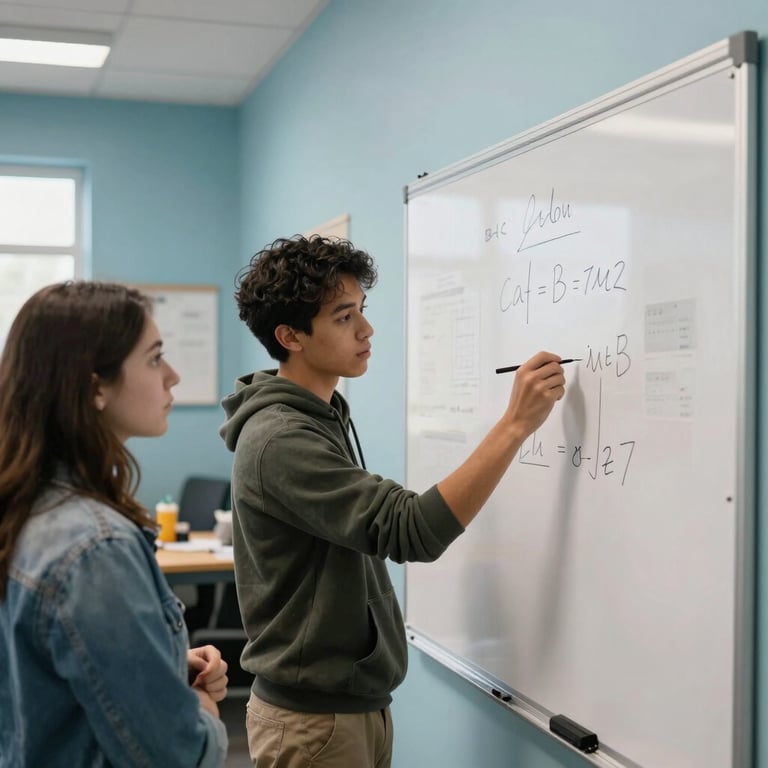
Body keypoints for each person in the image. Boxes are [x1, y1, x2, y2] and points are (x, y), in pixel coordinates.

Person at [220, 235, 566, 768]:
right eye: (343, 317)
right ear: (291, 336)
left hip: (351, 709)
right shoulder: (280, 439)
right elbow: (410, 530)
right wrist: (516, 424)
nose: (366, 330)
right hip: (314, 723)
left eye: (361, 311)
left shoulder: (323, 412)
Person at [0, 281, 229, 767]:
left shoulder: (23, 507)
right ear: (95, 387)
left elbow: (35, 683)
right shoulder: (94, 548)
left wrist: (158, 668)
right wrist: (200, 709)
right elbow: (179, 754)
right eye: (154, 358)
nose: (173, 376)